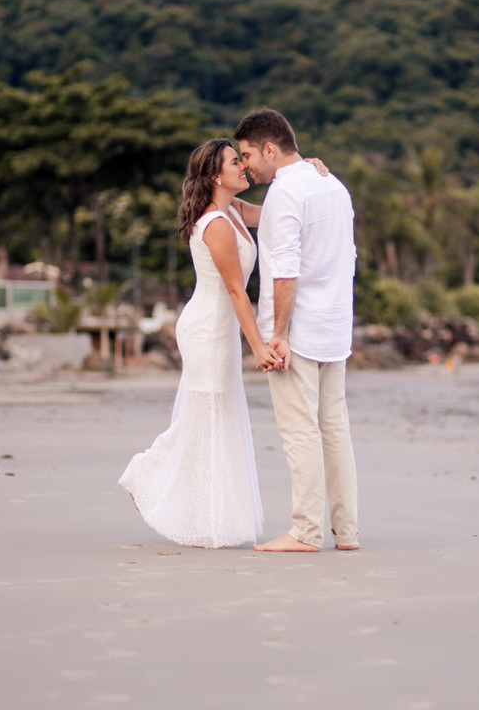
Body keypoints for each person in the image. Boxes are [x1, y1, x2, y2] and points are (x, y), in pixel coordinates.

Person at [118, 139, 284, 548]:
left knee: (215, 419)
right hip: (208, 329)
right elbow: (235, 292)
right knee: (206, 417)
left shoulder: (235, 212)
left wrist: (301, 171)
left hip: (220, 330)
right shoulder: (215, 225)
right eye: (234, 162)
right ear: (216, 176)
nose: (243, 167)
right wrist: (260, 347)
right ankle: (147, 474)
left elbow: (281, 214)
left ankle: (207, 517)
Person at [234, 109, 359, 553]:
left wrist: (278, 334)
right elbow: (345, 257)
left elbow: (285, 271)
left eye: (247, 154)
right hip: (334, 327)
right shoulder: (332, 184)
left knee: (301, 432)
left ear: (270, 148)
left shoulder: (289, 190)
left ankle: (306, 532)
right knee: (334, 430)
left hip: (299, 330)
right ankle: (347, 533)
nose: (244, 164)